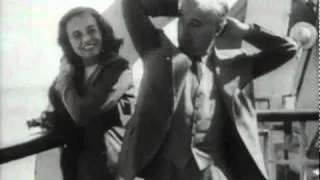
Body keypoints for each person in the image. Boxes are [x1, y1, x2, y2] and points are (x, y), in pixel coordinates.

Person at [118, 0, 298, 180]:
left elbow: (288, 49)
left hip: (213, 173)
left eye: (195, 24)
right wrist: (181, 6)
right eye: (182, 20)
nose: (184, 31)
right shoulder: (157, 51)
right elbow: (131, 4)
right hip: (161, 172)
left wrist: (246, 31)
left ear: (219, 28)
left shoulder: (235, 66)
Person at [28, 7, 134, 180]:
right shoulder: (73, 71)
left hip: (107, 169)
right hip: (73, 168)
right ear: (68, 41)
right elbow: (65, 112)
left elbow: (83, 115)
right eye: (76, 35)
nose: (86, 39)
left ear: (102, 31)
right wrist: (49, 119)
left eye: (91, 31)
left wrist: (64, 79)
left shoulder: (119, 68)